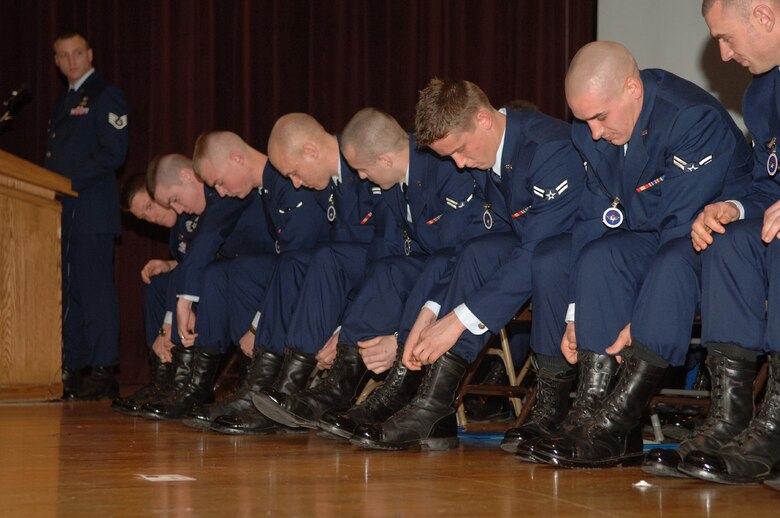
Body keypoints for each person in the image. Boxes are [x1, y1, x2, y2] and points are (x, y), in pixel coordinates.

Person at [522, 41, 752, 469]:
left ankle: (620, 416)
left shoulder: (689, 117)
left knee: (669, 263)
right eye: (583, 119)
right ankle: (593, 412)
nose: (592, 132)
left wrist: (641, 313)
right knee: (596, 254)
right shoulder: (590, 131)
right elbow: (593, 219)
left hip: (715, 236)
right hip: (654, 232)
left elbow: (680, 229)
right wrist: (577, 312)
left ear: (632, 88)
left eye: (599, 117)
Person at [348, 80, 584, 451]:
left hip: (575, 256)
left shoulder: (548, 148)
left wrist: (456, 320)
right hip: (531, 249)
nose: (458, 164)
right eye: (450, 157)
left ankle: (551, 406)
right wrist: (432, 311)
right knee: (479, 251)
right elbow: (471, 246)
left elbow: (533, 251)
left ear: (483, 119)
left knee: (546, 259)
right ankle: (434, 408)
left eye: (459, 150)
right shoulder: (481, 157)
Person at [650, 0, 780, 486]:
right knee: (727, 241)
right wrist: (732, 206)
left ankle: (777, 424)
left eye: (727, 38)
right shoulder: (763, 92)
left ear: (764, 17)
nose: (723, 56)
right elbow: (769, 184)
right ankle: (733, 418)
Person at [307, 107, 489, 440]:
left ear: (386, 160)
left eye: (363, 170)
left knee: (431, 266)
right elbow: (385, 254)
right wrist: (344, 328)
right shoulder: (393, 184)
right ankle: (341, 386)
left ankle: (402, 389)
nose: (361, 179)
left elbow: (459, 255)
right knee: (386, 268)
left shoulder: (447, 168)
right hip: (430, 272)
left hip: (463, 271)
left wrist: (399, 338)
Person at [240, 112, 395, 435]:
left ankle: (292, 384)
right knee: (293, 262)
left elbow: (384, 252)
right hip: (356, 271)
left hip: (388, 273)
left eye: (295, 173)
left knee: (326, 257)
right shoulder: (332, 182)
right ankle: (267, 385)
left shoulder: (362, 167)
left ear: (310, 151)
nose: (296, 184)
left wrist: (342, 327)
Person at [171, 130, 327, 430]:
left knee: (272, 267)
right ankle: (250, 382)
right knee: (223, 272)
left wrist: (258, 324)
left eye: (218, 182)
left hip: (317, 275)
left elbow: (297, 260)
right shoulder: (268, 186)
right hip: (294, 271)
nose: (221, 191)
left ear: (237, 158)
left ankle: (272, 389)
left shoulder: (289, 180)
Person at [136, 153, 278, 420]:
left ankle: (253, 384)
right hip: (251, 273)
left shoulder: (225, 189)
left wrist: (184, 300)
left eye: (175, 199)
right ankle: (198, 384)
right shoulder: (209, 200)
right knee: (214, 274)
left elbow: (209, 236)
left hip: (276, 269)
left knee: (226, 272)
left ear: (188, 176)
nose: (178, 210)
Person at [45, 31, 129, 401]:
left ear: (90, 54)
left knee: (94, 290)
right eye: (64, 55)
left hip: (92, 209)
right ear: (57, 62)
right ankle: (76, 366)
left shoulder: (105, 95)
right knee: (71, 292)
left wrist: (65, 180)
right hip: (64, 210)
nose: (72, 60)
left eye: (77, 52)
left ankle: (103, 368)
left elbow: (113, 153)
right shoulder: (62, 102)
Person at [111, 175, 199, 415]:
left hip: (211, 288)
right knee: (155, 281)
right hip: (191, 286)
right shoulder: (175, 229)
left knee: (172, 282)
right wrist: (169, 264)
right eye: (143, 217)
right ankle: (162, 374)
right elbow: (187, 262)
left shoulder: (194, 211)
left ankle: (181, 376)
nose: (151, 218)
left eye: (149, 207)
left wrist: (165, 326)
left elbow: (202, 265)